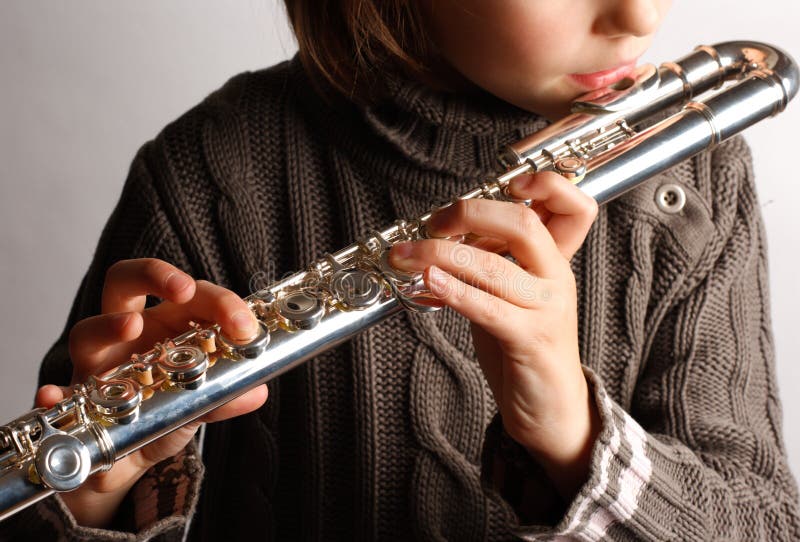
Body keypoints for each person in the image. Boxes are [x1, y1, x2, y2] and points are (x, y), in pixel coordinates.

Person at [2, 0, 799, 539]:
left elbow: (763, 521)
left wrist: (570, 433)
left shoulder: (695, 176)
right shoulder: (212, 174)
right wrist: (98, 495)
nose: (638, 17)